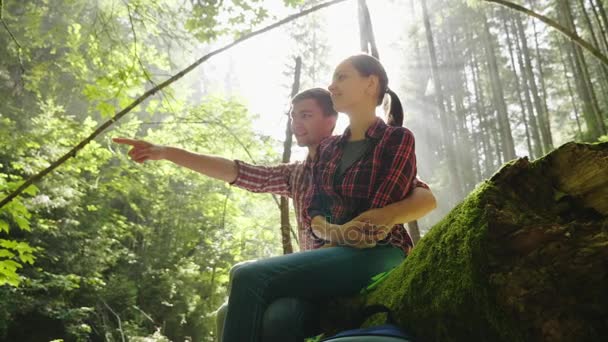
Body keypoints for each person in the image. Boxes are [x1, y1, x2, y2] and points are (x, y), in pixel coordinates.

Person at [114, 87, 436, 342]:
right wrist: (167, 153)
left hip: (356, 265)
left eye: (306, 115)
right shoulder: (295, 175)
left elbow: (419, 192)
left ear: (331, 120)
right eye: (293, 115)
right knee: (227, 313)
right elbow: (239, 173)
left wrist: (372, 225)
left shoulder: (361, 152)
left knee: (276, 313)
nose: (296, 122)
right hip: (312, 280)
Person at [220, 55, 429, 342]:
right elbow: (313, 210)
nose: (332, 86)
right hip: (336, 254)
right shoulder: (330, 148)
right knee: (281, 315)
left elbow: (377, 215)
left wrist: (338, 234)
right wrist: (333, 232)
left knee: (246, 275)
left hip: (381, 253)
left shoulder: (397, 139)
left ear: (370, 84)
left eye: (342, 77)